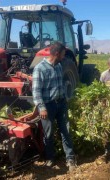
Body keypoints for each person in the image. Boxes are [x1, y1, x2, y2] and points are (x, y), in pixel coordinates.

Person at [32, 42, 76, 171]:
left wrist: (65, 98)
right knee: (48, 134)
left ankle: (70, 158)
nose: (63, 57)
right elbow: (36, 91)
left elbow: (60, 84)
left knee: (66, 131)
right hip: (48, 106)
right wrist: (42, 107)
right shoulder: (40, 68)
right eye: (63, 54)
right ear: (57, 53)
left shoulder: (58, 66)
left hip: (61, 103)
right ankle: (50, 158)